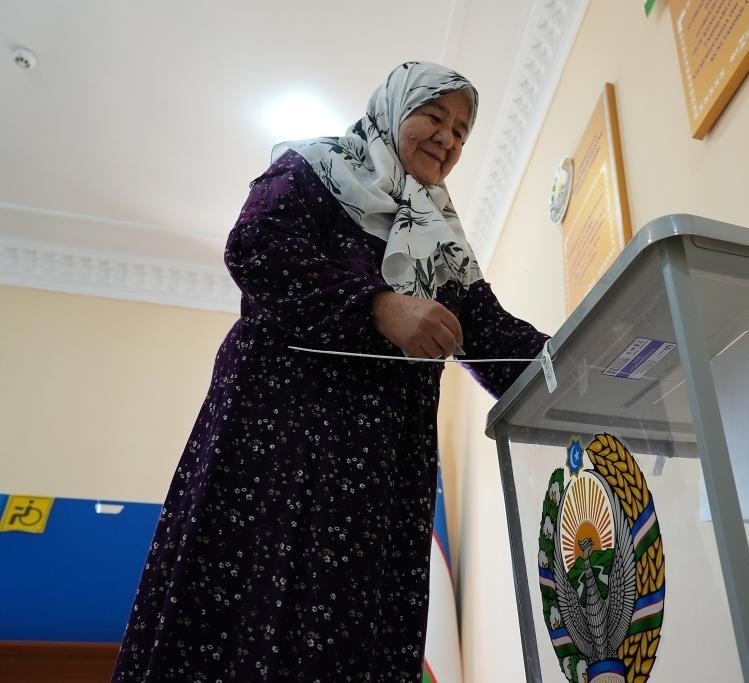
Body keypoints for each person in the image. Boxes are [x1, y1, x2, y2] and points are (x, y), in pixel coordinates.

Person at [112, 61, 548, 682]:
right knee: (243, 609)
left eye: (461, 131)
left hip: (378, 470)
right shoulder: (314, 168)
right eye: (433, 116)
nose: (448, 138)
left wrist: (589, 362)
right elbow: (257, 245)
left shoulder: (441, 240)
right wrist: (379, 305)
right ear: (392, 111)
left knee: (347, 627)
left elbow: (495, 339)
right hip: (276, 441)